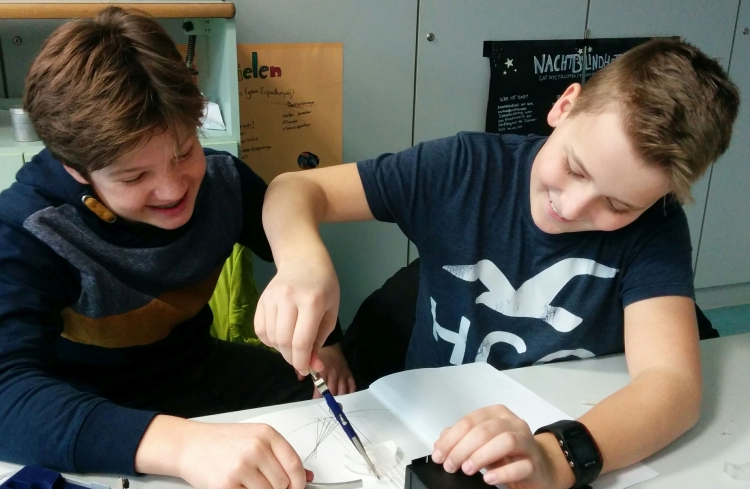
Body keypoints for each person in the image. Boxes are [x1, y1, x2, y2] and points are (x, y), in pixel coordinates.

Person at [255, 38, 740, 489]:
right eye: (574, 168)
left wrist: (557, 458)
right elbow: (294, 188)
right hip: (431, 436)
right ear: (565, 106)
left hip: (562, 426)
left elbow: (672, 385)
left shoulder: (655, 228)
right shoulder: (463, 170)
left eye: (617, 205)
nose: (572, 207)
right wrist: (301, 263)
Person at [0, 7, 354, 489]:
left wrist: (327, 340)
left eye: (184, 152)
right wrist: (181, 446)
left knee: (346, 409)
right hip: (81, 409)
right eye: (134, 176)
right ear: (76, 169)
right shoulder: (25, 232)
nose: (173, 189)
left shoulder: (222, 182)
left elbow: (295, 255)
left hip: (194, 372)